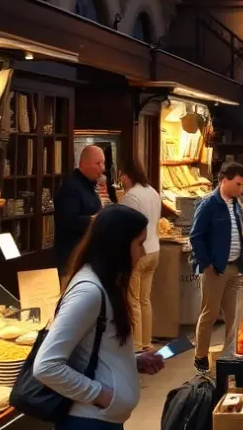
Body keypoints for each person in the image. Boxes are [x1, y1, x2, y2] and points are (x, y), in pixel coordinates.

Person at [32, 206, 166, 430]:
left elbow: (93, 348)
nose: (142, 254)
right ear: (119, 246)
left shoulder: (105, 285)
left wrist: (133, 362)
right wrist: (102, 396)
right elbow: (46, 366)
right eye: (139, 244)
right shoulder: (89, 292)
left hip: (103, 420)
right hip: (88, 421)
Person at [190, 161, 243, 374]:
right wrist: (206, 264)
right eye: (238, 184)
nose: (240, 189)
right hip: (215, 270)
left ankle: (230, 356)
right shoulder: (208, 204)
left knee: (235, 315)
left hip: (236, 268)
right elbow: (196, 237)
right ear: (224, 180)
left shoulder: (235, 203)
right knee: (210, 313)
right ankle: (200, 356)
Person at [118, 159, 162, 350]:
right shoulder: (152, 191)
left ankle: (135, 345)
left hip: (139, 252)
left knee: (132, 300)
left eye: (121, 177)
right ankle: (147, 342)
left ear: (127, 176)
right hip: (154, 249)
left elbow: (126, 228)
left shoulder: (131, 197)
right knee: (145, 299)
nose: (121, 181)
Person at [54, 145, 106, 273]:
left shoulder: (89, 185)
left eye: (103, 163)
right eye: (97, 163)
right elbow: (68, 221)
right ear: (84, 164)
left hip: (86, 257)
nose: (102, 168)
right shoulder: (71, 187)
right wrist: (94, 220)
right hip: (71, 259)